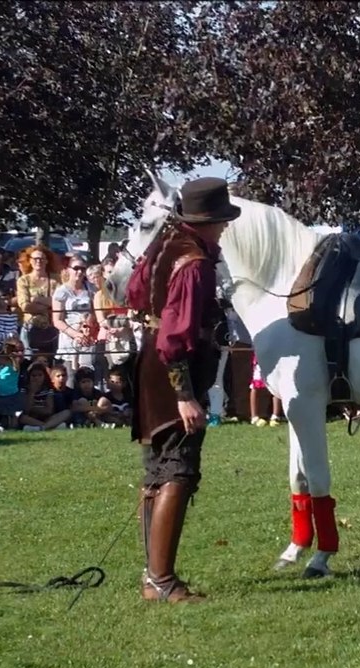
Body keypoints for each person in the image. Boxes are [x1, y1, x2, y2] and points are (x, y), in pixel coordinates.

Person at [130, 177, 238, 604]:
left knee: (157, 470)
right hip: (173, 370)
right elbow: (175, 336)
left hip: (149, 362)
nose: (225, 228)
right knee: (178, 469)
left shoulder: (164, 246)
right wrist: (185, 395)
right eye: (222, 221)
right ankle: (162, 580)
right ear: (207, 221)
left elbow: (135, 293)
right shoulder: (193, 263)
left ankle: (152, 577)